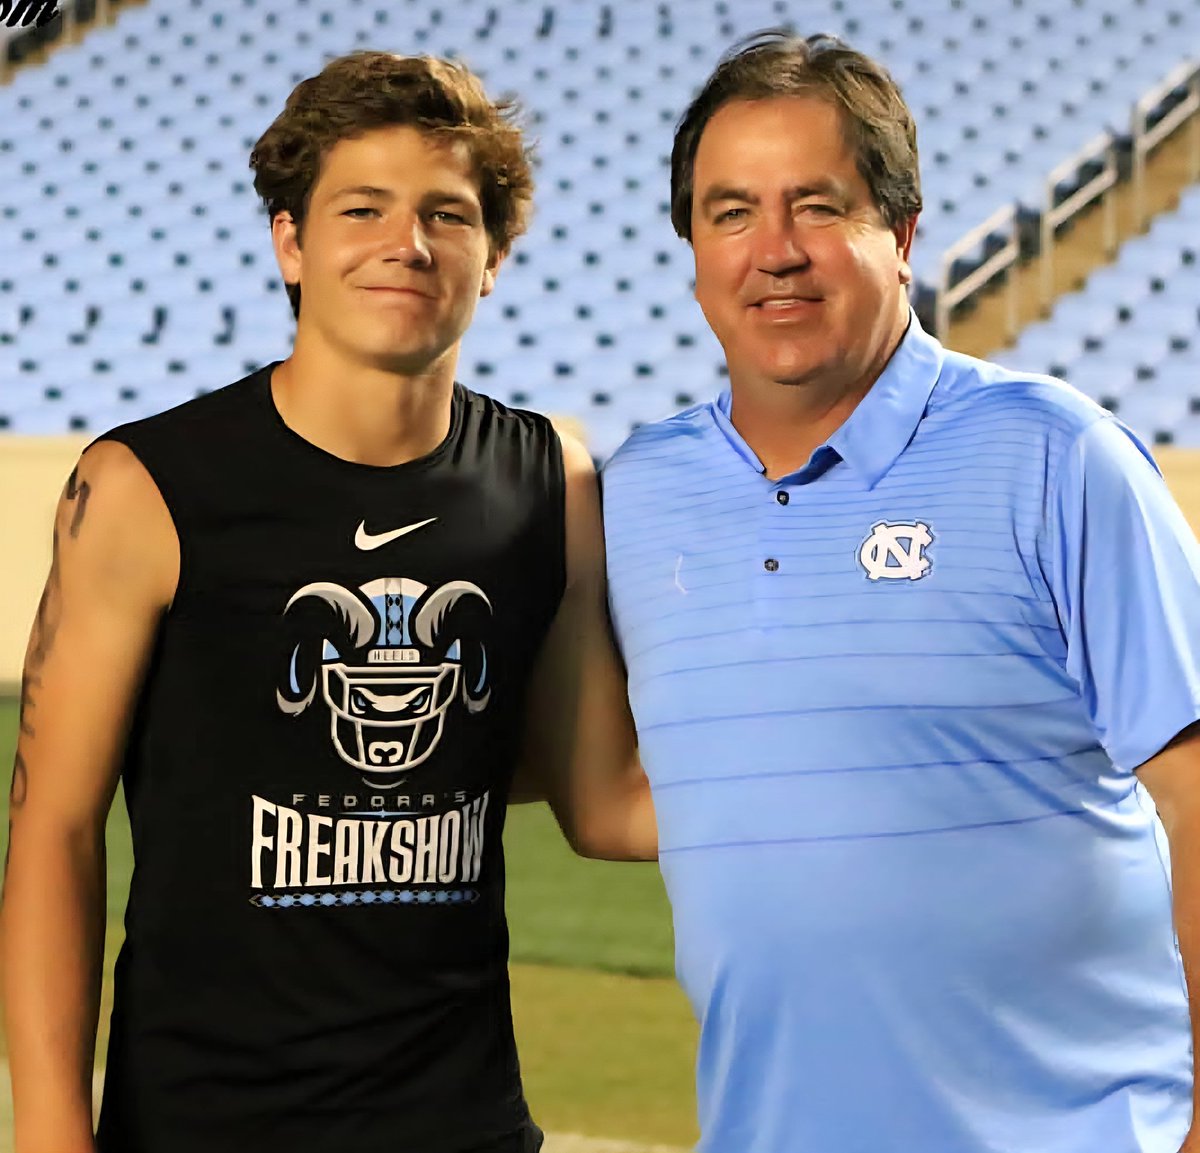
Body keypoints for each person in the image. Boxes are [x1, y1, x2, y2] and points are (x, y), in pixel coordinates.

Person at [1, 50, 650, 1153]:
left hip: (464, 1128)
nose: (408, 244)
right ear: (290, 241)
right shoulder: (145, 487)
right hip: (202, 1129)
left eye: (448, 215)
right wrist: (56, 1135)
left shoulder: (556, 481)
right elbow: (54, 827)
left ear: (493, 256)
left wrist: (916, 786)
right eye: (364, 208)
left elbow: (604, 803)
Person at [601, 30, 1200, 1153]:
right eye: (731, 212)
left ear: (902, 232)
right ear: (691, 250)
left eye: (817, 206)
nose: (773, 251)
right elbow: (620, 799)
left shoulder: (1055, 459)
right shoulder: (636, 496)